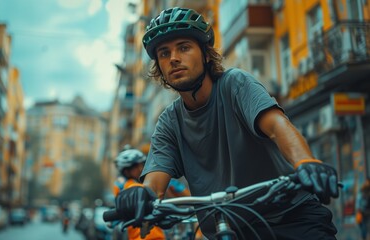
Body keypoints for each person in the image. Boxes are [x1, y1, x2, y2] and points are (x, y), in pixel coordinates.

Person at [114, 7, 340, 239]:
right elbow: (156, 182)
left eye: (183, 47)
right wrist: (142, 195)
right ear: (159, 67)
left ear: (204, 54)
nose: (173, 58)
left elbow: (276, 126)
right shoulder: (169, 122)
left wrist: (305, 161)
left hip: (291, 217)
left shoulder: (235, 84)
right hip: (230, 229)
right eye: (164, 53)